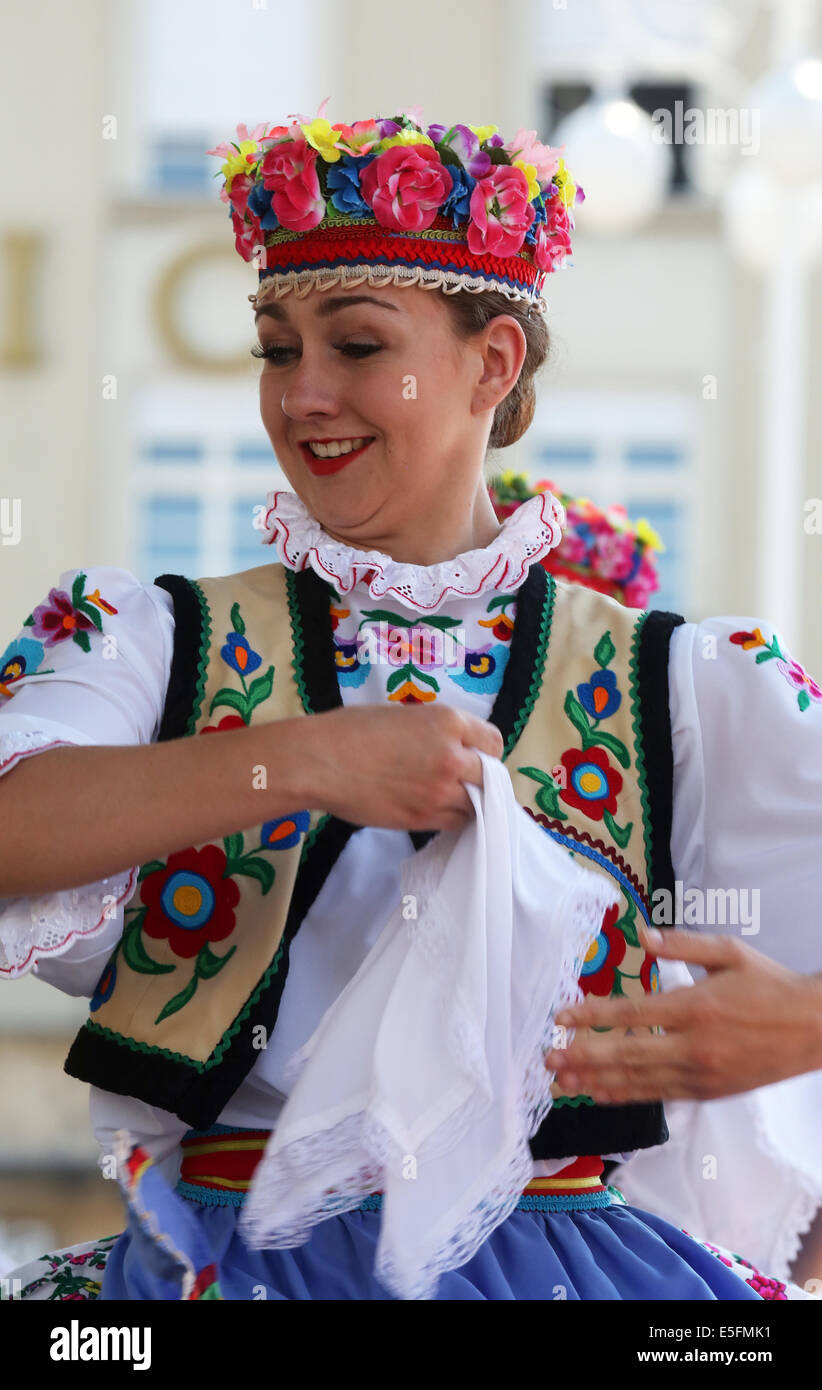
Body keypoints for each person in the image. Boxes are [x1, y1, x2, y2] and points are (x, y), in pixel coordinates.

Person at [0, 102, 816, 1301]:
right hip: (231, 1263)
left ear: (493, 364)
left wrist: (799, 1029)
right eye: (278, 349)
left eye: (359, 345)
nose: (303, 394)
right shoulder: (154, 636)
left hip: (570, 1265)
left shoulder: (688, 683)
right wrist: (308, 760)